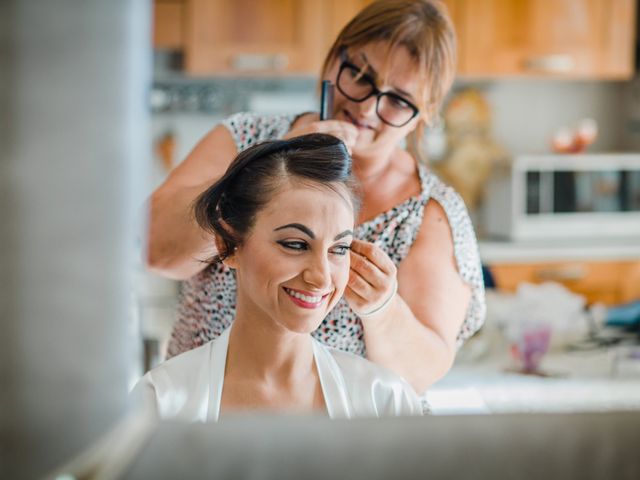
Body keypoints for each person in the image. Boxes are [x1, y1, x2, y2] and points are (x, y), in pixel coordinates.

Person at [147, 0, 485, 394]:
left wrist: (383, 309)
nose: (365, 108)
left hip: (342, 442)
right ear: (332, 59)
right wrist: (263, 166)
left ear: (424, 114)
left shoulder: (430, 213)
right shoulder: (245, 139)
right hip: (204, 414)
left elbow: (423, 372)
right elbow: (154, 248)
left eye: (398, 100)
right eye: (358, 74)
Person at [134, 134, 422, 421]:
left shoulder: (383, 402)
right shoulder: (162, 401)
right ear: (228, 246)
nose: (321, 278)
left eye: (339, 249)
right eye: (295, 244)